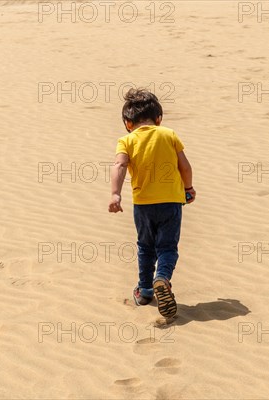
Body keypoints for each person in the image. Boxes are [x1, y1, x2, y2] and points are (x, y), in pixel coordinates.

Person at [108, 88, 195, 318]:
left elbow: (119, 166)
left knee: (145, 247)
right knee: (167, 247)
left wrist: (115, 194)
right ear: (159, 119)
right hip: (172, 203)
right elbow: (184, 166)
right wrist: (188, 188)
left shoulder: (126, 140)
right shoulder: (169, 134)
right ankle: (162, 278)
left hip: (143, 204)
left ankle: (145, 289)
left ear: (128, 123)